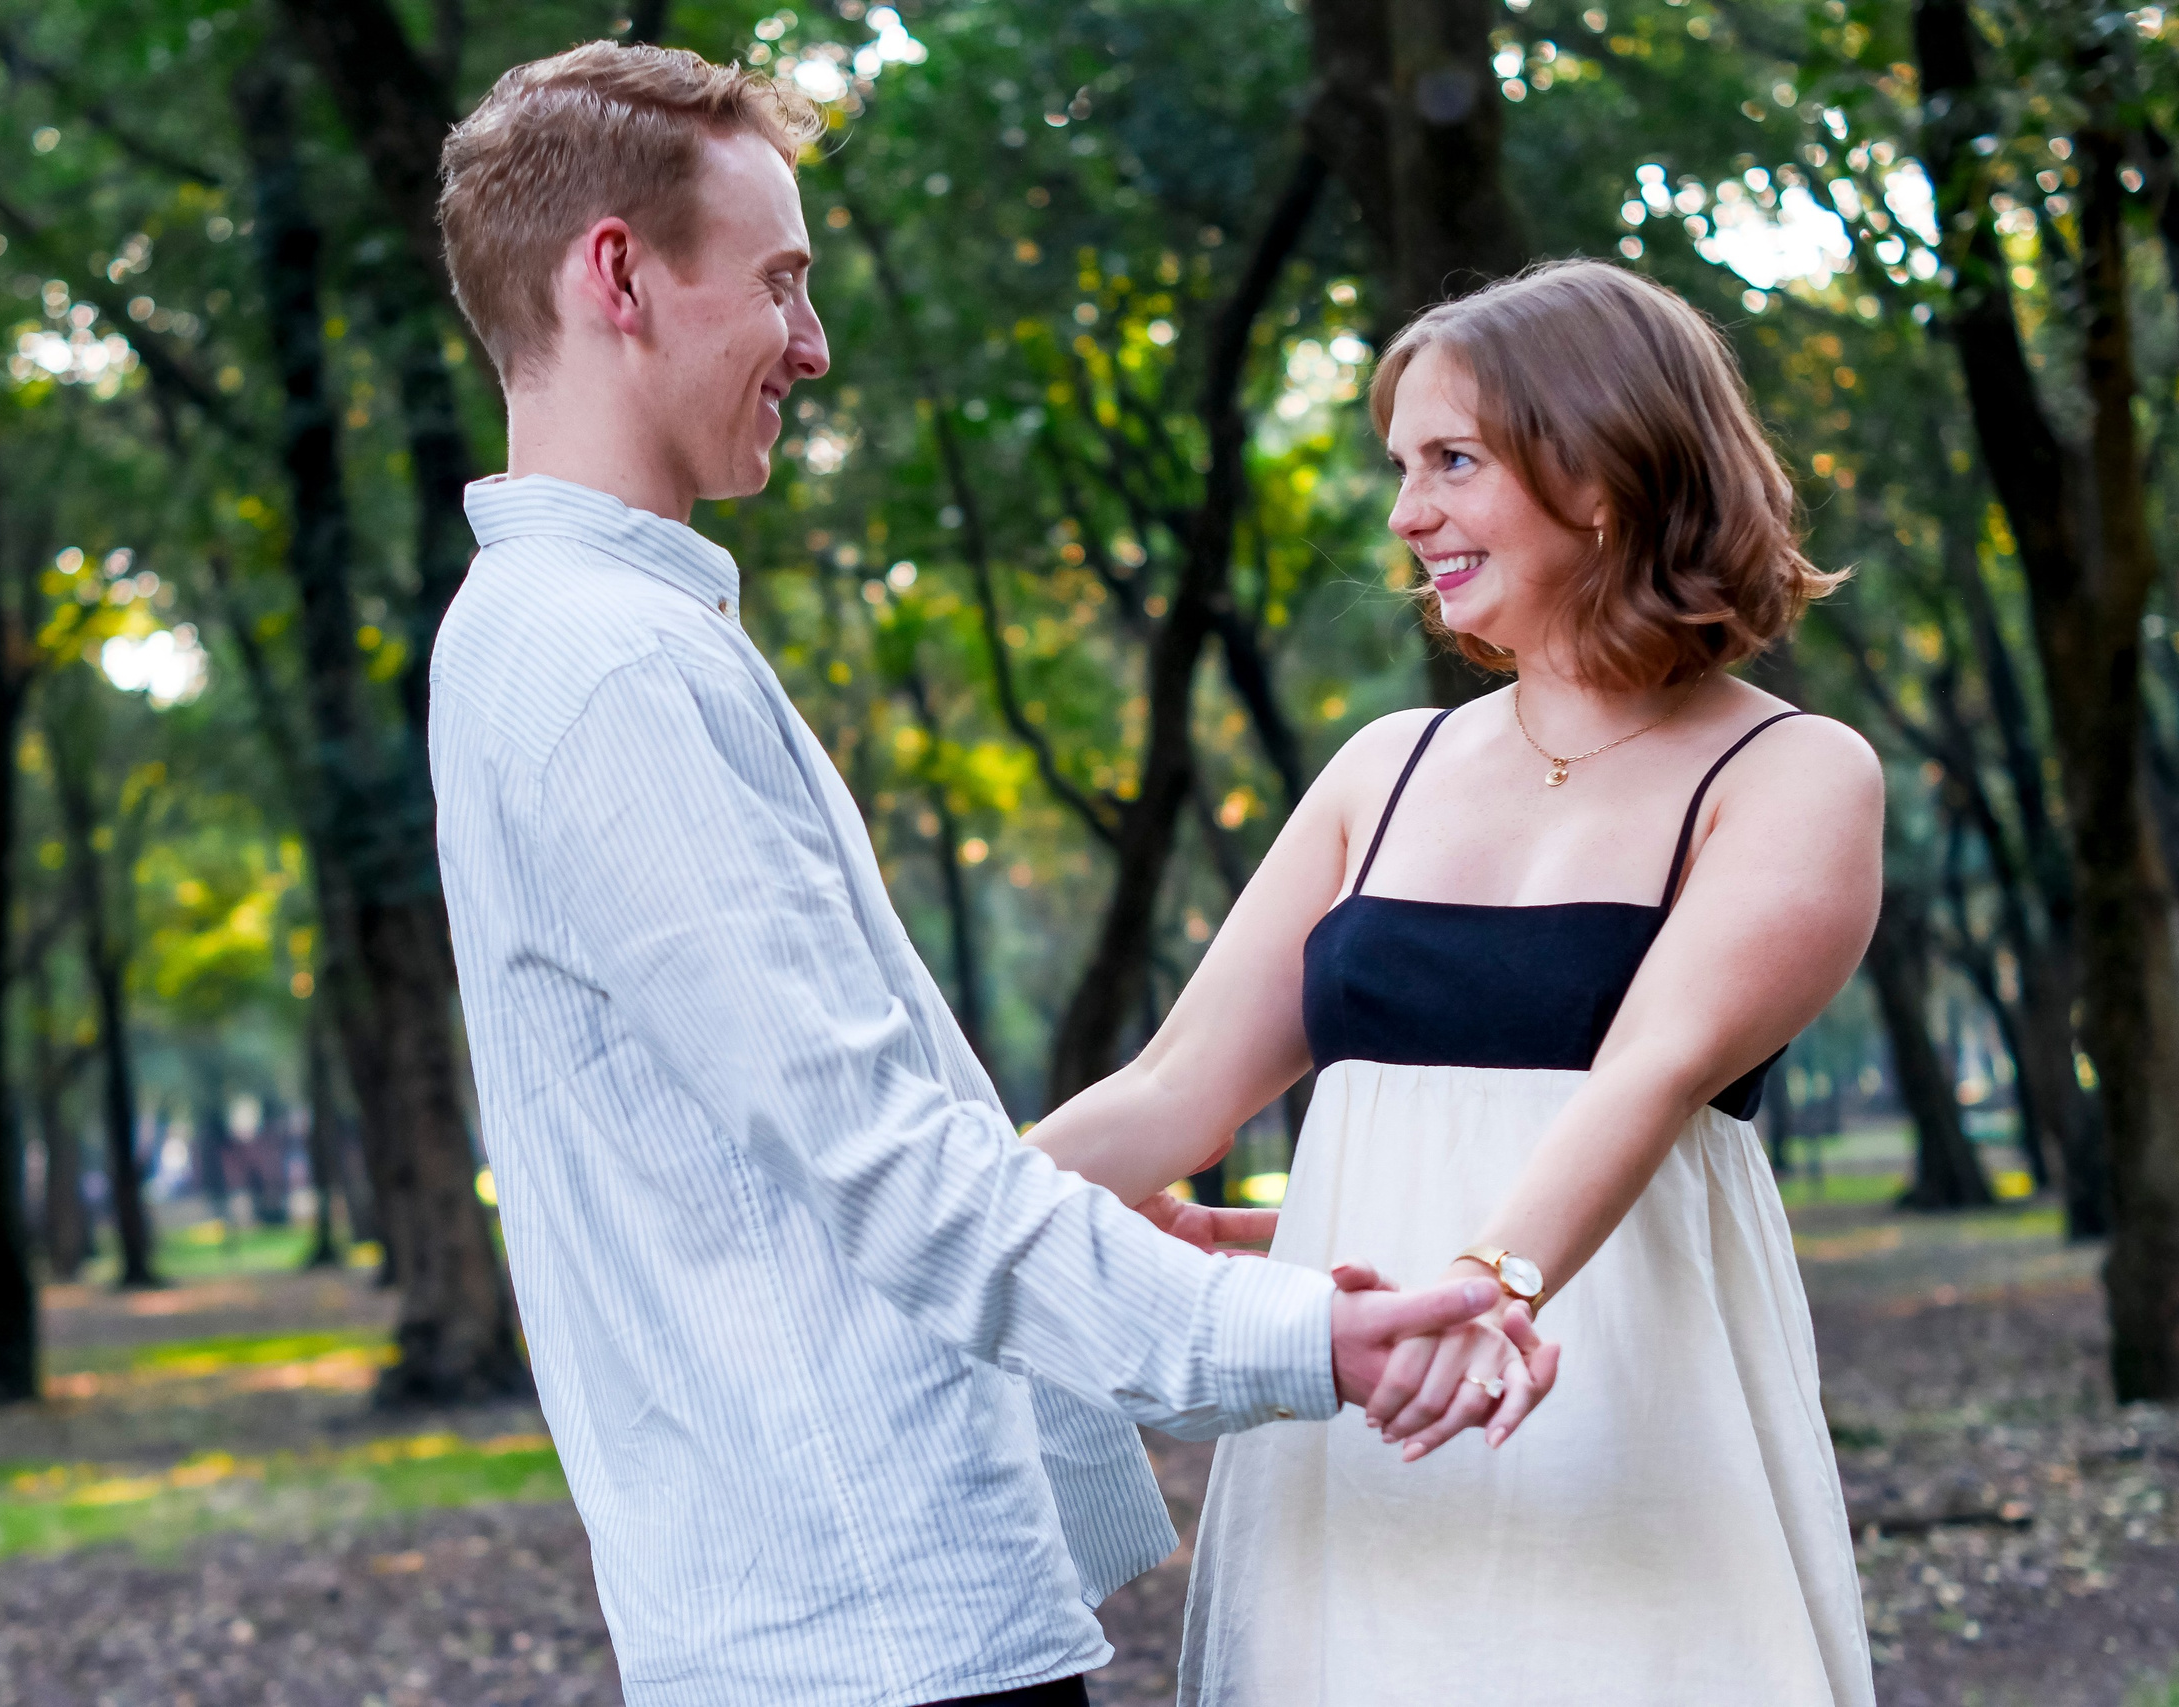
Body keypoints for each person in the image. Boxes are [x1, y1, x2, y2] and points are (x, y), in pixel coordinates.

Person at [422, 43, 1553, 1707]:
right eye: (783, 281)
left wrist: (1103, 1237)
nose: (814, 343)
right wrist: (1312, 1339)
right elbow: (887, 1172)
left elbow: (800, 1157)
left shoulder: (570, 639)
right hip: (864, 1636)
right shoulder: (609, 668)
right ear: (618, 275)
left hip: (828, 1611)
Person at [1029, 259, 1882, 1704]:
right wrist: (952, 1210)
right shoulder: (1385, 767)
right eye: (1402, 467)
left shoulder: (1793, 772)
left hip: (1616, 1418)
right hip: (1358, 1435)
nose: (1406, 512)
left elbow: (1652, 1070)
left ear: (1601, 466)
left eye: (1452, 461)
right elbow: (1174, 1092)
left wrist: (1493, 1284)